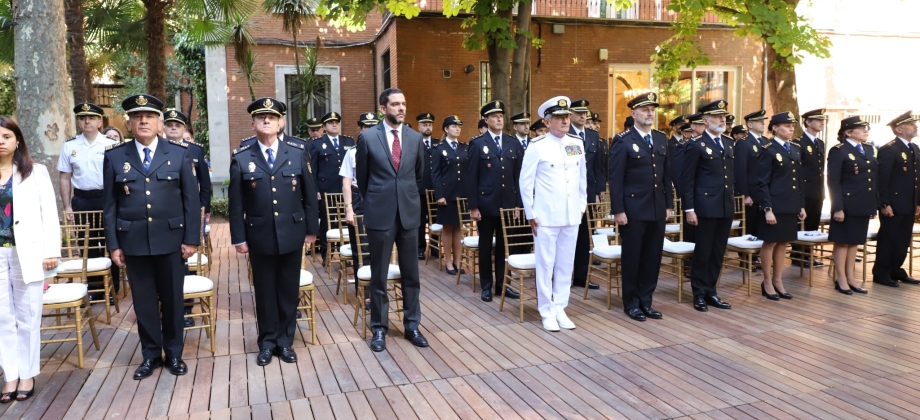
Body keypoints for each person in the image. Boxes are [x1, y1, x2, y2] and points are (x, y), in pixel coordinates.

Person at [103, 94, 200, 380]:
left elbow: (190, 202)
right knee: (144, 302)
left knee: (172, 300)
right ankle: (150, 355)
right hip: (133, 242)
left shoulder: (180, 153)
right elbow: (110, 205)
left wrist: (191, 239)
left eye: (149, 116)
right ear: (129, 122)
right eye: (137, 116)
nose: (143, 121)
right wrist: (113, 244)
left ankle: (174, 354)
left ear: (159, 122)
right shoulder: (114, 156)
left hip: (171, 240)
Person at [229, 97, 318, 366]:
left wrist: (311, 231)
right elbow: (236, 204)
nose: (266, 120)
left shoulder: (296, 152)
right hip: (259, 236)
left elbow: (309, 197)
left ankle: (285, 341)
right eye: (261, 117)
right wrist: (239, 237)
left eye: (272, 117)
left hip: (292, 233)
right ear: (253, 123)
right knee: (265, 292)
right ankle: (267, 342)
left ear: (281, 122)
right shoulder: (243, 157)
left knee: (288, 290)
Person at [356, 88, 428, 352]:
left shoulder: (415, 138)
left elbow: (418, 177)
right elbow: (362, 179)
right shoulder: (367, 138)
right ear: (383, 108)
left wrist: (404, 196)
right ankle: (379, 328)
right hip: (380, 213)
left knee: (411, 274)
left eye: (404, 103)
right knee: (379, 276)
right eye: (396, 104)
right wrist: (378, 198)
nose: (401, 108)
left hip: (409, 214)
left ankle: (412, 325)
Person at [0, 117, 60, 403]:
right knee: (2, 317)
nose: (1, 141)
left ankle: (27, 373)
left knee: (28, 315)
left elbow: (49, 214)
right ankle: (10, 373)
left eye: (6, 136)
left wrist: (52, 252)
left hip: (29, 253)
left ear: (17, 141)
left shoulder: (36, 172)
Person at [520, 96, 586, 331]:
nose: (565, 120)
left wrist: (582, 206)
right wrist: (530, 212)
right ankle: (546, 310)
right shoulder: (537, 146)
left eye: (567, 116)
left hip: (571, 215)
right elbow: (525, 182)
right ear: (547, 122)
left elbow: (582, 178)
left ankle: (560, 307)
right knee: (546, 264)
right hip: (546, 216)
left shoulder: (576, 143)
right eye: (559, 118)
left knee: (565, 264)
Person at [608, 92, 672, 322]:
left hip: (656, 208)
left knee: (653, 257)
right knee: (633, 257)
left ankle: (646, 301)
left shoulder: (661, 138)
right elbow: (615, 179)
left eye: (652, 109)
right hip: (633, 210)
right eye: (645, 109)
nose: (650, 113)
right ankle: (631, 303)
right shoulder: (623, 140)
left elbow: (666, 176)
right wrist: (618, 210)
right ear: (633, 113)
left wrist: (669, 205)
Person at [58, 103, 120, 299]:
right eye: (83, 118)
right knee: (89, 245)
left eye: (92, 118)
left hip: (107, 199)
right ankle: (94, 289)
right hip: (82, 200)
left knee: (111, 243)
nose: (87, 121)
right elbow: (64, 178)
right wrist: (67, 206)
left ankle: (113, 287)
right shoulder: (70, 146)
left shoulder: (111, 144)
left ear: (100, 121)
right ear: (78, 121)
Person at [467, 100, 524, 302]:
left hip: (507, 203)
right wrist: (473, 206)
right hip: (485, 204)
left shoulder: (513, 143)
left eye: (501, 115)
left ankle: (502, 285)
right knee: (485, 247)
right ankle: (486, 286)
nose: (499, 119)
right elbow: (471, 177)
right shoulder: (477, 143)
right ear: (486, 120)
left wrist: (518, 203)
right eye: (494, 116)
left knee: (503, 247)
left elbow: (519, 177)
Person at [681, 100, 734, 312]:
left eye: (724, 116)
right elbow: (688, 180)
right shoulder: (696, 145)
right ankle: (699, 293)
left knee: (718, 251)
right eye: (717, 116)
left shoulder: (729, 143)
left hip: (724, 205)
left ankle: (711, 290)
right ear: (705, 120)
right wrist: (689, 209)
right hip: (704, 206)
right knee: (703, 251)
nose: (722, 119)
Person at [163, 109, 212, 327]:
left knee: (183, 260)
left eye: (178, 125)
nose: (173, 128)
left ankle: (184, 307)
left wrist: (204, 207)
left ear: (185, 129)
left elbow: (205, 183)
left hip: (188, 212)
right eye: (170, 124)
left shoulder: (195, 150)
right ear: (163, 127)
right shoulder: (158, 150)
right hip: (166, 214)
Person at [756, 112, 806, 300]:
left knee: (784, 242)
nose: (791, 129)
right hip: (774, 204)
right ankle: (767, 281)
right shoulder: (767, 149)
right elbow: (762, 182)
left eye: (792, 126)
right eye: (786, 126)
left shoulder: (795, 148)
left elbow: (799, 180)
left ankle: (778, 280)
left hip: (790, 203)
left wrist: (801, 206)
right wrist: (767, 209)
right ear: (775, 128)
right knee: (770, 242)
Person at [828, 116, 877, 294]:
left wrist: (873, 206)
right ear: (848, 132)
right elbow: (833, 181)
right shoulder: (839, 151)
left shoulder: (868, 149)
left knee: (855, 241)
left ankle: (850, 277)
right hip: (846, 204)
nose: (866, 131)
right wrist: (838, 207)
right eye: (861, 128)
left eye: (866, 128)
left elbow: (872, 179)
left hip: (862, 202)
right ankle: (840, 278)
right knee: (842, 242)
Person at [874, 111, 920, 286]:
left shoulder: (914, 148)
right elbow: (882, 179)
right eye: (911, 124)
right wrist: (884, 203)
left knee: (902, 240)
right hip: (893, 204)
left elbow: (917, 178)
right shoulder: (889, 149)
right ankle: (881, 272)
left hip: (909, 203)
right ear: (899, 129)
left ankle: (896, 269)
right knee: (889, 239)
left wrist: (918, 202)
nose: (915, 126)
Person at [568, 99, 604, 290]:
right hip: (568, 193)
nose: (583, 116)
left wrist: (598, 191)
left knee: (584, 236)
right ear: (570, 114)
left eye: (585, 113)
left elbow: (597, 167)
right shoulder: (566, 134)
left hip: (587, 193)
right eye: (579, 113)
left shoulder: (592, 135)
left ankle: (581, 276)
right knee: (566, 235)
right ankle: (563, 275)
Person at [311, 112, 354, 265]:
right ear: (324, 127)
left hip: (345, 190)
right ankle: (326, 255)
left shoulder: (348, 141)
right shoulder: (316, 144)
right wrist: (315, 189)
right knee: (326, 223)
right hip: (326, 190)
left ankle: (346, 255)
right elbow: (313, 170)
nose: (334, 124)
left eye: (336, 122)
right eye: (330, 123)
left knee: (345, 222)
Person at [343, 113, 378, 294]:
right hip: (358, 198)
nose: (369, 130)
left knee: (379, 244)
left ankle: (378, 287)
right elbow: (347, 183)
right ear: (360, 130)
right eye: (366, 127)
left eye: (372, 127)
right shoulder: (351, 153)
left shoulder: (384, 152)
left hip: (380, 198)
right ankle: (364, 289)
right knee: (361, 245)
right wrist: (348, 208)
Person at [791, 109, 827, 268]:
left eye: (823, 120)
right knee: (800, 223)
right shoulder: (799, 142)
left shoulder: (820, 143)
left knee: (813, 222)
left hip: (817, 190)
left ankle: (808, 254)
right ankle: (798, 254)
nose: (822, 122)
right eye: (818, 120)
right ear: (807, 122)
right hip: (804, 189)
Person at [432, 116, 468, 275]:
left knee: (459, 228)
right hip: (446, 194)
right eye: (454, 126)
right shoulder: (439, 148)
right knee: (447, 228)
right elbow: (435, 174)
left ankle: (458, 261)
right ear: (446, 129)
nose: (457, 129)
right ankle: (448, 262)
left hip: (462, 194)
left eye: (459, 126)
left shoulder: (464, 147)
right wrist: (439, 195)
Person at [732, 121, 761, 265]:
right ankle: (746, 257)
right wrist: (745, 194)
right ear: (750, 124)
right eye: (760, 122)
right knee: (749, 225)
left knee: (759, 226)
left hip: (763, 192)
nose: (762, 124)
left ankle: (756, 255)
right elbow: (740, 170)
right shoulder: (744, 143)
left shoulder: (765, 142)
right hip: (751, 192)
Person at [416, 113, 439, 260]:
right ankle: (420, 248)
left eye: (429, 124)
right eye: (424, 124)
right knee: (419, 221)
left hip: (436, 190)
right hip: (419, 189)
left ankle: (435, 248)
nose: (427, 127)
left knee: (436, 219)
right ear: (419, 127)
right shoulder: (414, 143)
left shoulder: (438, 144)